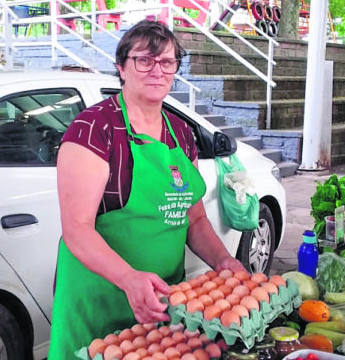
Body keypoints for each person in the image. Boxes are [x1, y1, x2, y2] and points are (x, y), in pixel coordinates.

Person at [48, 20, 245, 358]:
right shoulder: (94, 129)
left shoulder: (181, 133)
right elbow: (77, 230)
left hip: (162, 302)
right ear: (121, 67)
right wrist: (129, 279)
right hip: (100, 302)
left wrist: (223, 260)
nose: (157, 71)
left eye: (167, 62)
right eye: (144, 60)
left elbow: (194, 219)